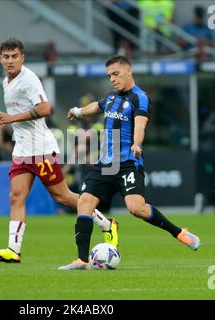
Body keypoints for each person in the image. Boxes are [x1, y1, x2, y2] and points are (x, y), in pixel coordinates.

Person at [59, 55, 200, 270]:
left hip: (127, 163)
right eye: (109, 76)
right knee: (84, 202)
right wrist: (78, 111)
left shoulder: (139, 98)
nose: (112, 79)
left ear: (129, 71)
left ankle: (179, 233)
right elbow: (97, 106)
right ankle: (82, 259)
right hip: (105, 164)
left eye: (116, 74)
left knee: (136, 208)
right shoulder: (111, 98)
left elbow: (140, 125)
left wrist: (136, 144)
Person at [0, 38, 118, 264]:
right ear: (0, 59)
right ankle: (13, 250)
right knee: (16, 197)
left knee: (63, 197)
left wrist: (11, 118)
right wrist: (4, 121)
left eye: (14, 56)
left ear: (22, 58)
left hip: (41, 151)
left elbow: (45, 109)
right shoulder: (6, 82)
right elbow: (18, 114)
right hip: (22, 150)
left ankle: (107, 224)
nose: (10, 61)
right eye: (6, 57)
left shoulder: (28, 79)